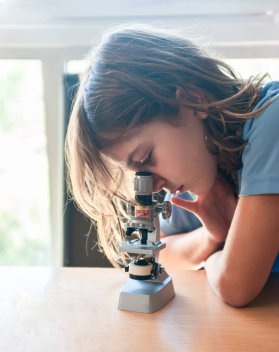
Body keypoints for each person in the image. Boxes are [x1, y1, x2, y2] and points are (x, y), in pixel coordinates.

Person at [65, 24, 279, 307]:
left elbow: (235, 286)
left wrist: (216, 256)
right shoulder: (201, 165)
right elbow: (162, 254)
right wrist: (213, 235)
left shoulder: (271, 120)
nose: (153, 185)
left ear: (193, 99)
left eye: (146, 158)